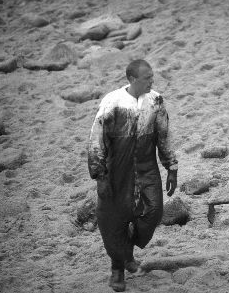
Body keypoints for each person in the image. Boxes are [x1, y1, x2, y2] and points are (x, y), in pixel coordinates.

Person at [87, 59, 178, 292]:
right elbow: (97, 139)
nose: (152, 81)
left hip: (147, 167)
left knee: (154, 212)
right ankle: (118, 267)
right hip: (118, 169)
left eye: (152, 76)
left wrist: (171, 167)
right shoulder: (112, 103)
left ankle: (126, 251)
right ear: (132, 79)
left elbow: (164, 135)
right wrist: (100, 176)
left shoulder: (156, 100)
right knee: (113, 220)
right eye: (147, 77)